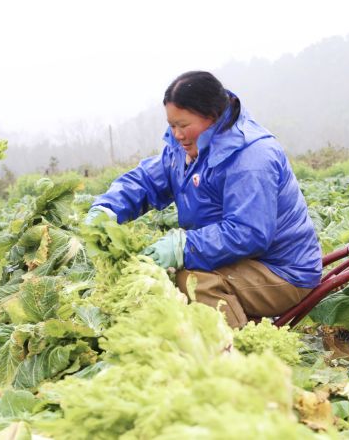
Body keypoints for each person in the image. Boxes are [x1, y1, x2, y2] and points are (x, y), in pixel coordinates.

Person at [87, 71, 322, 328]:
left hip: (282, 271)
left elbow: (249, 232)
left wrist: (183, 247)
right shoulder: (185, 147)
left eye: (183, 125)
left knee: (194, 279)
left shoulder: (252, 157)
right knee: (175, 273)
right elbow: (146, 181)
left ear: (212, 116)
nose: (176, 134)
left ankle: (234, 353)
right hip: (241, 261)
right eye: (172, 125)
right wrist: (108, 208)